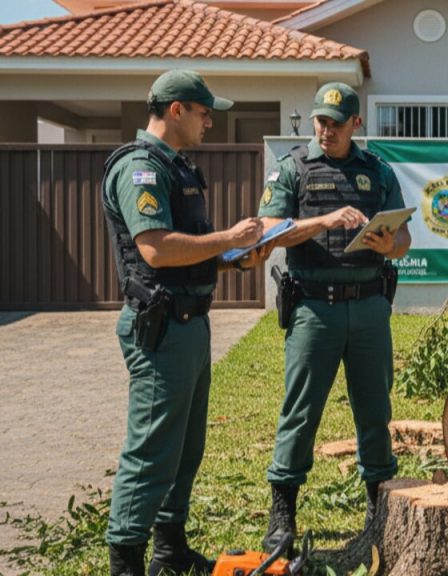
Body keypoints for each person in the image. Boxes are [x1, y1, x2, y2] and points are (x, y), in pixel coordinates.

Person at [102, 69, 267, 576]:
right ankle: (126, 561)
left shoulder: (178, 168)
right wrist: (227, 237)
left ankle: (169, 550)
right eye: (203, 112)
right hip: (162, 328)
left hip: (190, 324)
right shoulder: (141, 169)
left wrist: (236, 258)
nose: (210, 122)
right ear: (176, 111)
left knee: (185, 448)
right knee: (152, 449)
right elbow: (154, 247)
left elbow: (186, 255)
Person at [257, 82, 411, 553]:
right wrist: (322, 223)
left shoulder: (377, 172)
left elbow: (404, 240)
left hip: (368, 307)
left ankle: (378, 507)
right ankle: (282, 513)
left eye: (336, 124)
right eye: (321, 121)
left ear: (355, 125)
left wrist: (391, 243)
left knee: (374, 410)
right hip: (313, 308)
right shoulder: (292, 170)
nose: (326, 131)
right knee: (301, 411)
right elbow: (267, 233)